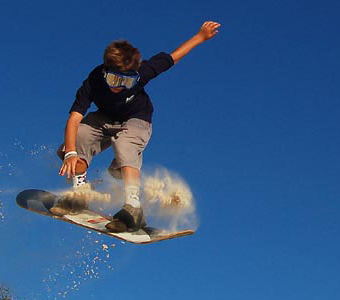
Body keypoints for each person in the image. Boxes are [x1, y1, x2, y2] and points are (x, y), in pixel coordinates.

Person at [51, 21, 221, 232]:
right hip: (104, 118)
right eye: (114, 79)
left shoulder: (143, 72)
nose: (120, 86)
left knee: (124, 146)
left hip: (136, 120)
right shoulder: (93, 81)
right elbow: (74, 119)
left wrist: (201, 36)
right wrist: (70, 153)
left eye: (127, 82)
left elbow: (173, 57)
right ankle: (80, 193)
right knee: (77, 140)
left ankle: (133, 207)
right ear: (105, 72)